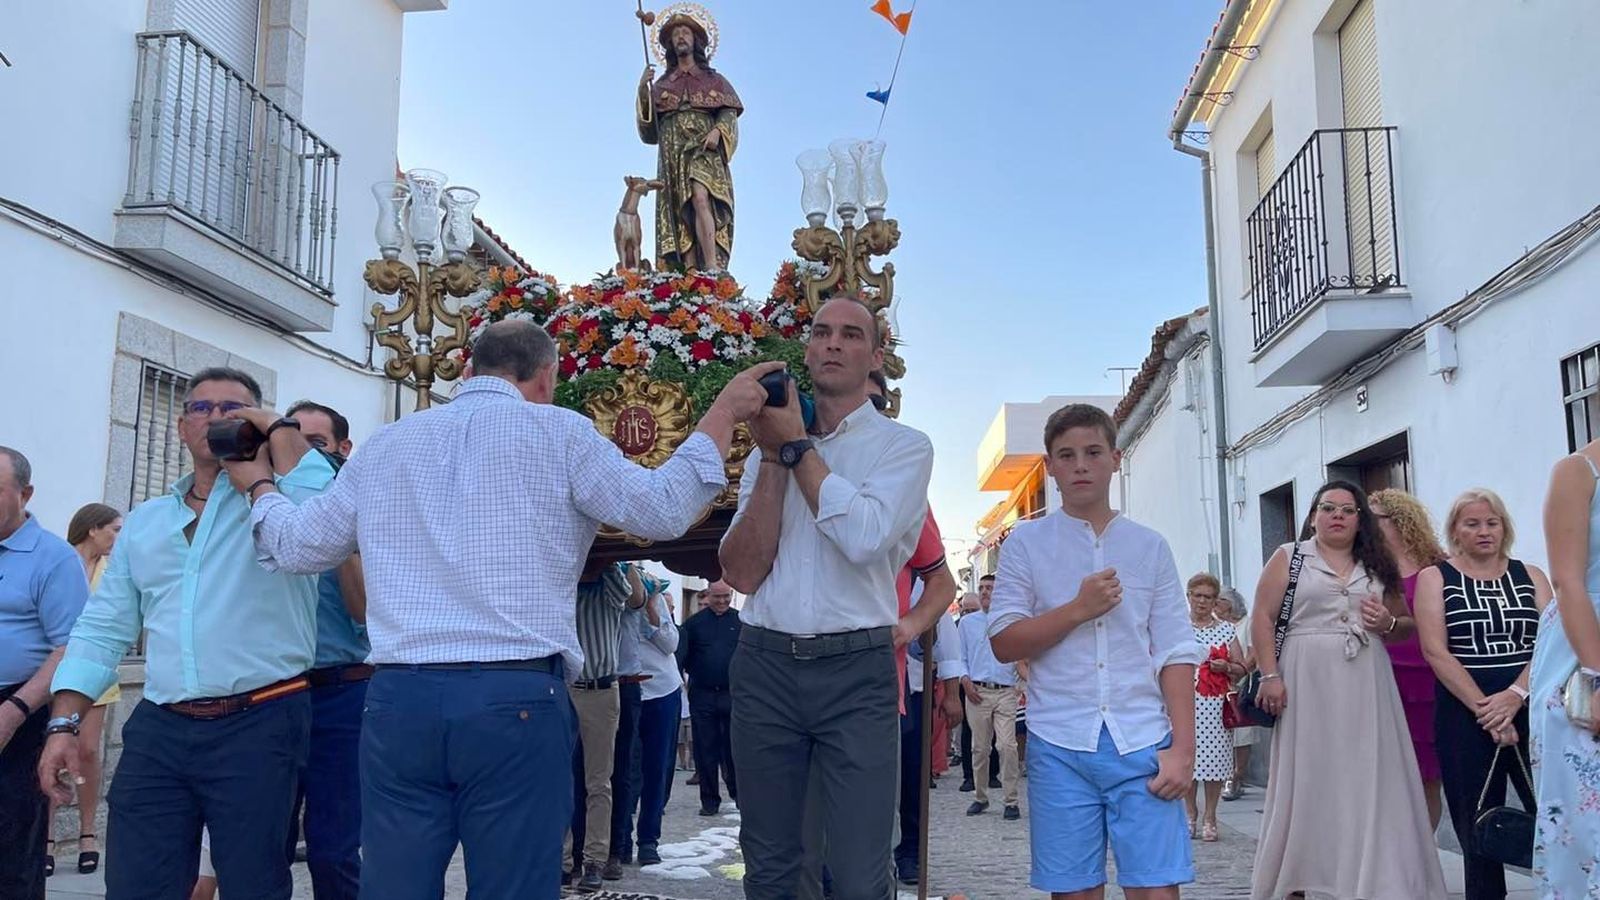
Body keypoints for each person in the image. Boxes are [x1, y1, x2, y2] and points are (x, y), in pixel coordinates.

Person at [235, 320, 776, 898]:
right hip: (513, 696)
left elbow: (297, 546)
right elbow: (665, 510)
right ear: (546, 377)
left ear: (468, 370)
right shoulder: (560, 433)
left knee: (395, 886)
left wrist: (261, 486)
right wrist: (723, 413)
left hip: (399, 700)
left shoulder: (388, 443)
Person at [38, 368, 334, 899]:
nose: (217, 417)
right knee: (136, 885)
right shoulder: (146, 523)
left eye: (234, 408)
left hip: (261, 721)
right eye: (202, 408)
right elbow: (102, 628)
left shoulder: (282, 506)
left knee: (254, 886)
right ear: (179, 427)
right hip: (161, 727)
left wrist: (279, 435)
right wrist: (63, 722)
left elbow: (323, 523)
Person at [719, 295, 935, 900]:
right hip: (764, 663)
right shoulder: (770, 446)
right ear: (807, 350)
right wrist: (771, 457)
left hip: (857, 669)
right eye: (821, 332)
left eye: (850, 334)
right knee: (771, 865)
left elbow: (863, 538)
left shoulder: (904, 447)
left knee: (862, 870)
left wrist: (798, 451)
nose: (834, 343)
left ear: (875, 356)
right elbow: (741, 572)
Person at [987, 404, 1201, 900]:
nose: (1080, 464)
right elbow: (1003, 641)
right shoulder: (1025, 545)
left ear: (1115, 459)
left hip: (1143, 739)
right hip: (1059, 740)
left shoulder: (1149, 547)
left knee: (1156, 891)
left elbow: (1174, 650)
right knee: (1075, 892)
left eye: (1092, 452)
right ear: (1052, 467)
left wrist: (1182, 750)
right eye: (1067, 455)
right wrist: (1077, 609)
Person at [1249, 480, 1447, 900]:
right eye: (1328, 507)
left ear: (1361, 521)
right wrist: (1270, 675)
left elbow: (1406, 623)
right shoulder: (1289, 557)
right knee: (1308, 774)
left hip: (1365, 678)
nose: (1337, 515)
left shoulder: (1378, 565)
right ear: (1314, 516)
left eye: (1348, 509)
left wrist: (1387, 625)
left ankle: (1371, 875)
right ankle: (1299, 874)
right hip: (1306, 677)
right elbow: (1262, 618)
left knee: (1366, 773)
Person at [1415, 488, 1548, 900]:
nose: (1484, 531)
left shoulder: (1531, 574)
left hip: (1532, 704)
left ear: (1504, 526)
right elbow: (1436, 650)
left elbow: (1551, 641)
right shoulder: (1435, 577)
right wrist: (1488, 710)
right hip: (1465, 713)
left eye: (1492, 522)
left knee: (1550, 815)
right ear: (1456, 529)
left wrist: (1515, 695)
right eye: (1472, 523)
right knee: (1477, 822)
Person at [281, 400, 369, 900]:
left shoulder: (359, 508)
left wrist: (337, 530)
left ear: (342, 450)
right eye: (293, 441)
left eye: (316, 444)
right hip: (273, 694)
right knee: (264, 842)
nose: (303, 454)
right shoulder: (270, 506)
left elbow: (361, 611)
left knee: (333, 849)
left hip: (341, 694)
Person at [1, 447, 89, 900]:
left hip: (18, 709)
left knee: (11, 849)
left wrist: (14, 711)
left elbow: (70, 646)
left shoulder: (52, 558)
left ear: (25, 493)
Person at [1528, 441, 1600, 895]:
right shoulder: (1578, 472)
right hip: (1583, 646)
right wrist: (1596, 676)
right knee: (1583, 820)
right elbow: (1567, 581)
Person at [635, 6, 741, 270]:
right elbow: (650, 133)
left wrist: (718, 131)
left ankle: (712, 267)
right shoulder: (660, 84)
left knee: (701, 197)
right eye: (676, 34)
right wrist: (643, 91)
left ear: (696, 41)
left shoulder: (713, 80)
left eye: (686, 33)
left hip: (704, 144)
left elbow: (728, 113)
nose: (681, 37)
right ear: (670, 44)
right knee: (677, 205)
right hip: (672, 148)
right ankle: (688, 268)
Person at [564, 561, 646, 891]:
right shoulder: (565, 589)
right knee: (562, 780)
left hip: (600, 690)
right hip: (568, 690)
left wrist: (618, 558)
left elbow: (636, 598)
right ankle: (563, 860)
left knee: (599, 781)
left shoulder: (610, 587)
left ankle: (595, 860)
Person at [1370, 487, 1449, 828]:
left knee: (1428, 775)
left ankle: (1425, 858)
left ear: (1398, 520)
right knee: (1385, 775)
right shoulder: (1365, 566)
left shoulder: (1438, 565)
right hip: (1381, 675)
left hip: (1428, 678)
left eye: (1373, 518)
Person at [51, 502, 122, 877]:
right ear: (92, 529)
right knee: (51, 748)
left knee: (88, 750)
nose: (117, 537)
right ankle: (46, 836)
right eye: (113, 529)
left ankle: (87, 832)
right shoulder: (60, 562)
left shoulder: (113, 571)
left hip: (96, 671)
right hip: (54, 670)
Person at [960, 573, 1022, 820]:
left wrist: (1019, 682)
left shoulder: (1010, 621)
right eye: (982, 588)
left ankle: (1011, 800)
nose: (985, 592)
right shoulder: (967, 623)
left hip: (1005, 691)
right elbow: (960, 656)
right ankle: (980, 796)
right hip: (978, 691)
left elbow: (1020, 653)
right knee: (980, 748)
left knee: (1007, 745)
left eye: (990, 588)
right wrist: (965, 681)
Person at [677, 579, 741, 816]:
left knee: (734, 748)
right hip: (703, 694)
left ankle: (739, 795)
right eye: (718, 597)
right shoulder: (693, 625)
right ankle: (709, 801)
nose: (722, 601)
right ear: (708, 595)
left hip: (733, 694)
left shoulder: (741, 621)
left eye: (727, 596)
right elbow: (682, 657)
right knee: (705, 749)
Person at [631, 578, 682, 867]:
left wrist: (650, 608)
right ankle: (620, 840)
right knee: (623, 770)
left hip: (661, 689)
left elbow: (670, 643)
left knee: (656, 768)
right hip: (626, 687)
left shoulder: (656, 598)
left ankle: (649, 839)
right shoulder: (612, 593)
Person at [1184, 572, 1237, 843]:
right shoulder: (1177, 627)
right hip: (1185, 701)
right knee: (1188, 760)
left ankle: (1211, 816)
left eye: (1208, 597)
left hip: (1215, 705)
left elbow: (1241, 667)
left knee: (1214, 762)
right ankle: (1190, 812)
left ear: (1216, 601)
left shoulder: (1226, 630)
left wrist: (1226, 666)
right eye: (1197, 595)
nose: (1202, 601)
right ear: (1188, 596)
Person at [1214, 586, 1260, 801]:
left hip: (1241, 684)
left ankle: (1237, 776)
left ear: (1230, 603)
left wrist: (1239, 673)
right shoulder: (1219, 626)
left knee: (1242, 734)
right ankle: (1224, 774)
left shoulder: (1247, 623)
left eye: (1218, 601)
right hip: (1219, 686)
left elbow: (1253, 653)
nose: (1214, 606)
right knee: (1224, 733)